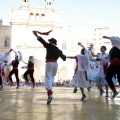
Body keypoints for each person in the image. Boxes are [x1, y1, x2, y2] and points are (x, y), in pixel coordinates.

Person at [32, 30, 66, 104]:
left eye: (50, 41)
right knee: (52, 77)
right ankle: (50, 88)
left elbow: (42, 41)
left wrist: (36, 35)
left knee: (48, 78)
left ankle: (50, 93)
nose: (49, 42)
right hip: (55, 65)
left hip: (49, 63)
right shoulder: (58, 50)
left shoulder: (49, 46)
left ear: (51, 42)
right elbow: (64, 58)